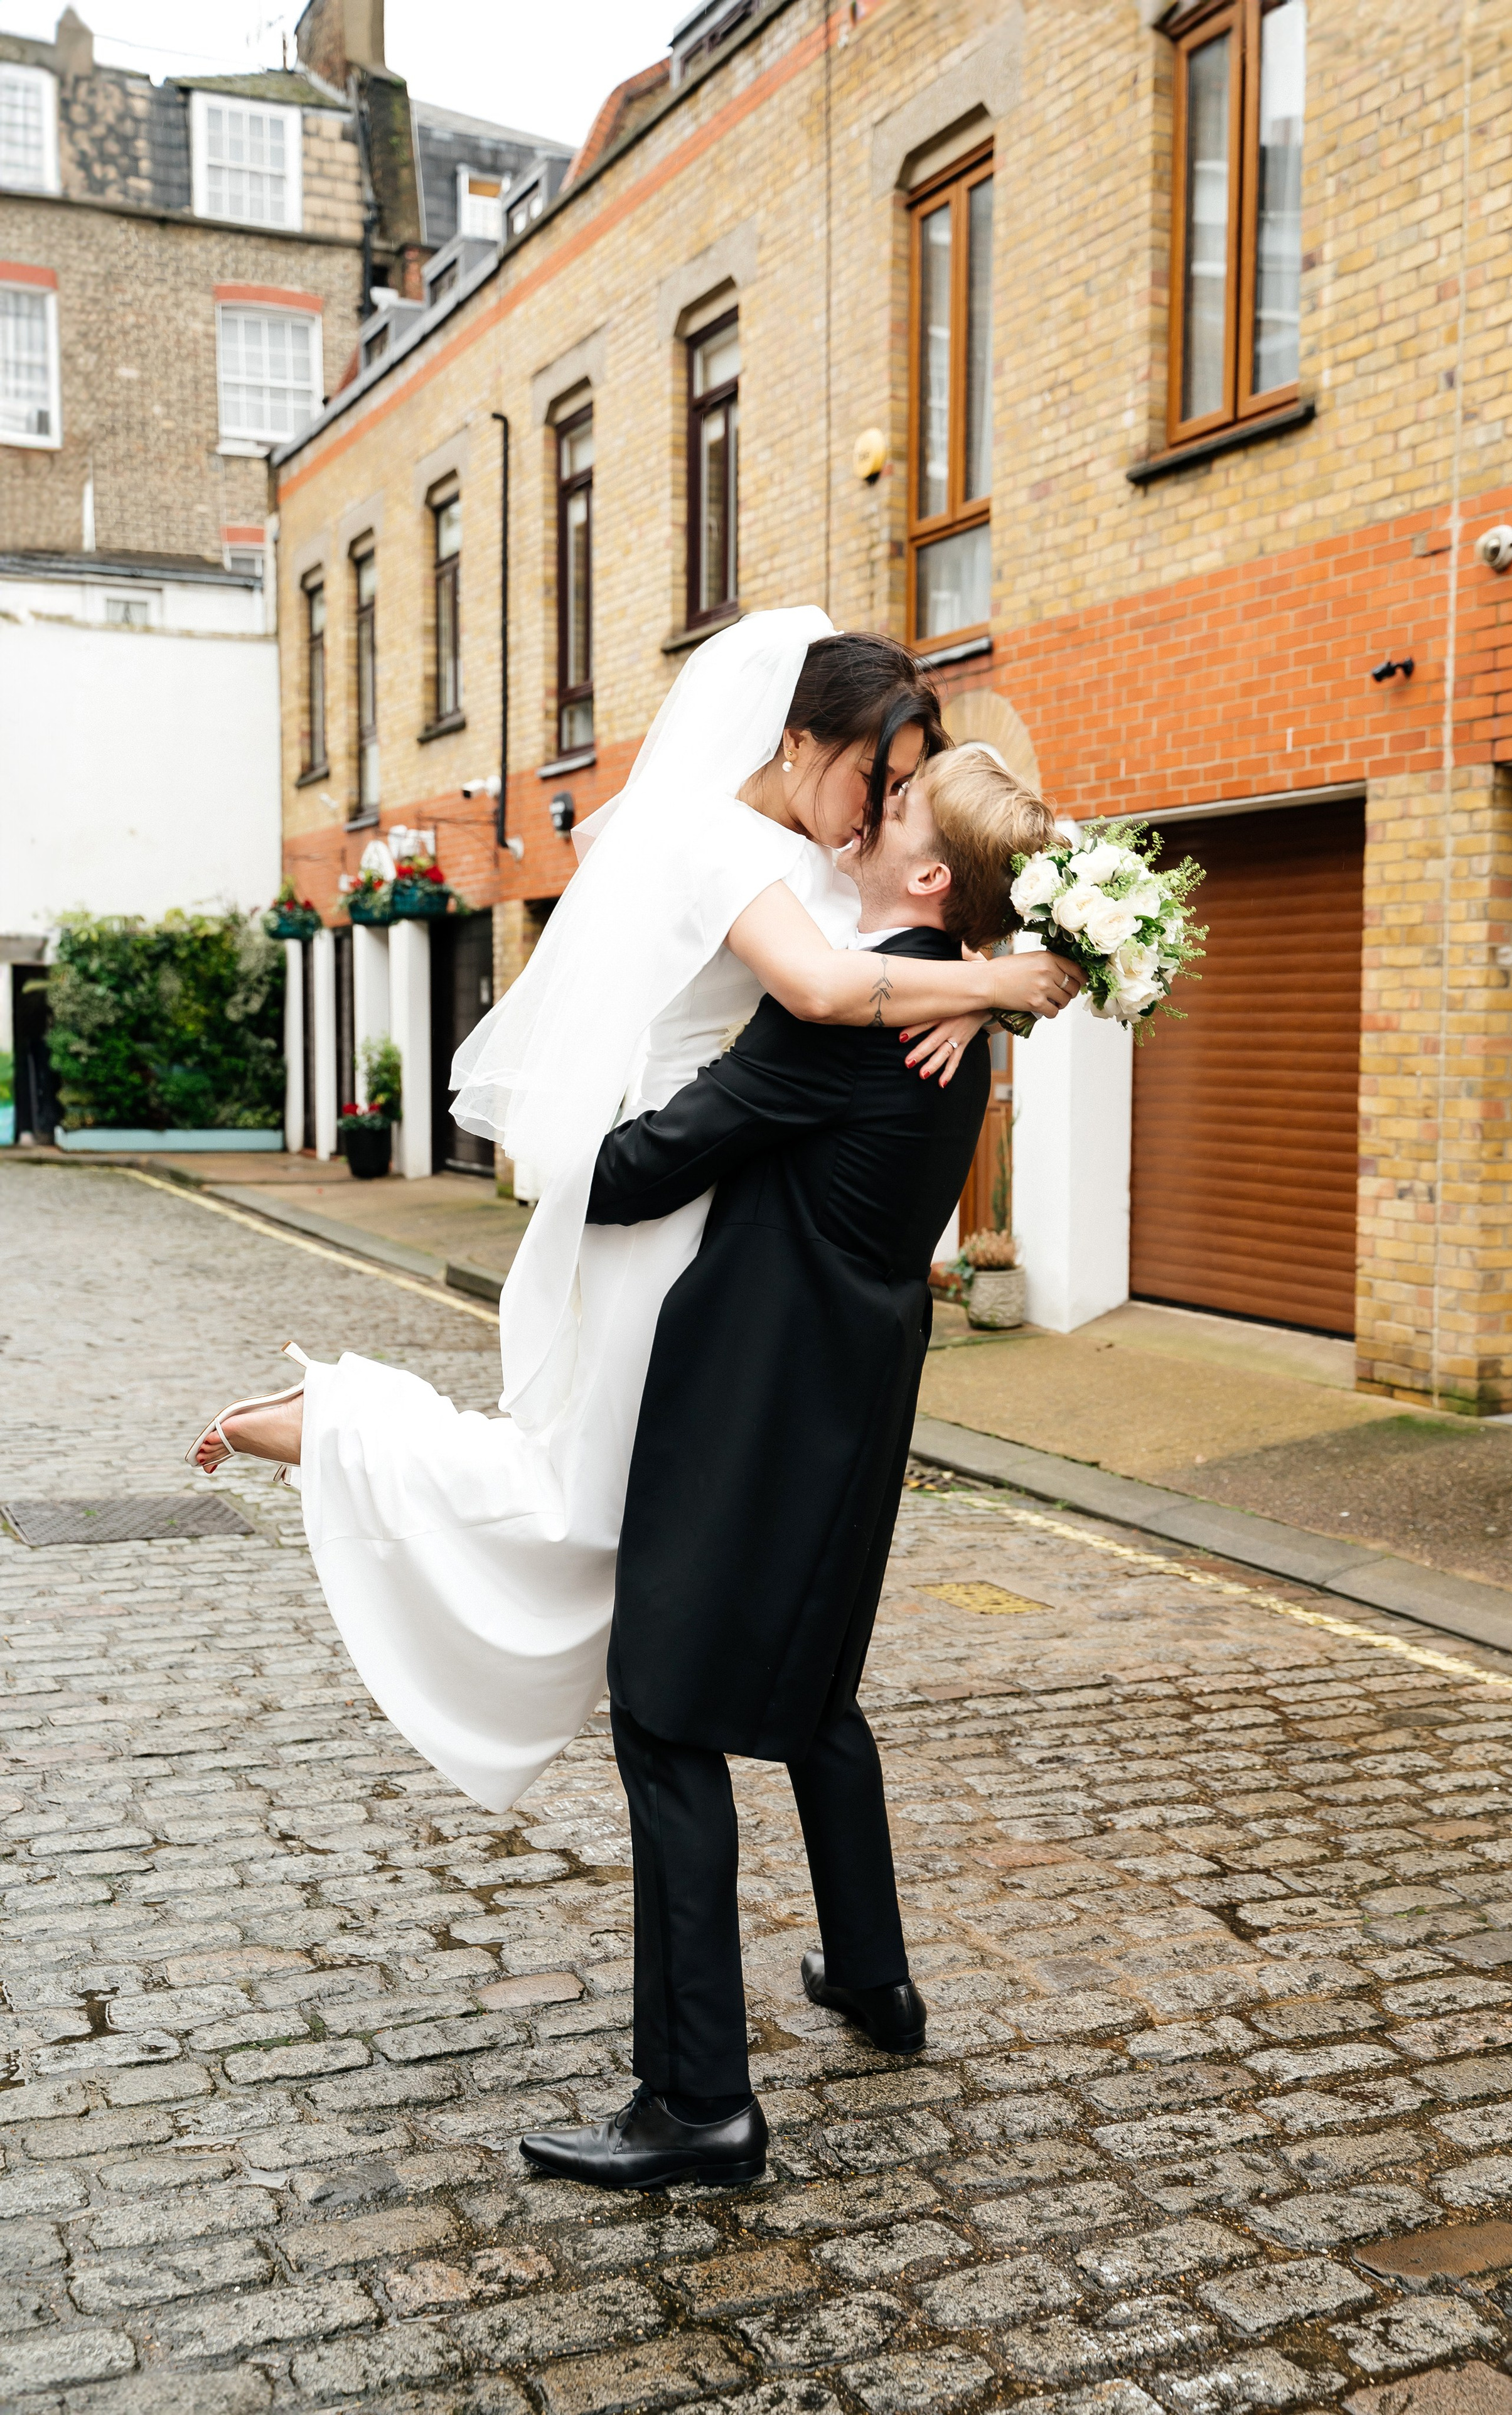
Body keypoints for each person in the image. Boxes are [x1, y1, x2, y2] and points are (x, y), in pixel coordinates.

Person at [187, 611, 1074, 1814]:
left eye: (902, 786)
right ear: (800, 740)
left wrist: (980, 988)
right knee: (588, 1502)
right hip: (666, 1190)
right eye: (880, 775)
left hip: (734, 1205)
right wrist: (995, 981)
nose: (881, 807)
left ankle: (674, 1710)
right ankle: (339, 1425)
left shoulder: (819, 852)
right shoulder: (716, 840)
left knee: (626, 1513)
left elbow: (914, 922)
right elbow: (825, 990)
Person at [518, 744, 1063, 2190]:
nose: (868, 807)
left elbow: (646, 1166)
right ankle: (872, 1978)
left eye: (896, 803)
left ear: (926, 874)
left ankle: (696, 2099)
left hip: (757, 1397)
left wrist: (555, 1133)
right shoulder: (952, 1007)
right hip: (857, 1396)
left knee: (664, 1716)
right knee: (816, 1690)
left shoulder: (852, 1013)